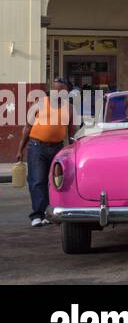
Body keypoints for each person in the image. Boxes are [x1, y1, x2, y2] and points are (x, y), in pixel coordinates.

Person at [15, 78, 75, 226]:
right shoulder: (40, 104)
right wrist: (20, 149)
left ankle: (49, 213)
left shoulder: (70, 108)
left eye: (61, 90)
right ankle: (37, 214)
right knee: (37, 180)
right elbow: (27, 128)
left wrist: (73, 149)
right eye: (55, 90)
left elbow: (72, 130)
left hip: (57, 148)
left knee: (55, 182)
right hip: (37, 147)